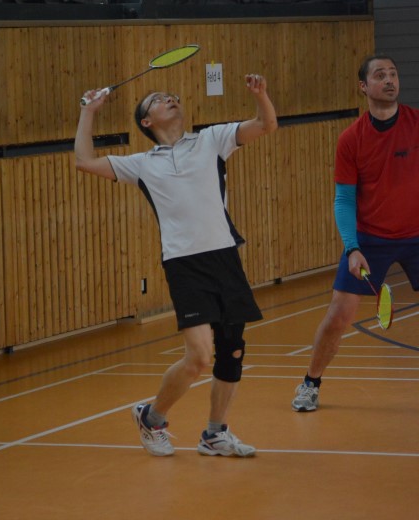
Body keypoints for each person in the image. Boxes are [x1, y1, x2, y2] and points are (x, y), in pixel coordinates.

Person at [75, 74, 278, 456]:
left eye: (171, 95)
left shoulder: (211, 140)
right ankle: (151, 417)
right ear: (146, 121)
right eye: (158, 99)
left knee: (232, 352)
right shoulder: (141, 164)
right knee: (200, 356)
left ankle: (215, 434)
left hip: (225, 257)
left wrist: (261, 95)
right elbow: (84, 162)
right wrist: (89, 112)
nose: (169, 98)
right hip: (184, 264)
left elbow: (266, 125)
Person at [292, 54, 419, 412]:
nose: (389, 80)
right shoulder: (352, 139)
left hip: (417, 234)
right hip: (371, 239)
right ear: (364, 86)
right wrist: (352, 248)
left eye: (393, 74)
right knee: (339, 315)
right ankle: (310, 383)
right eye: (380, 75)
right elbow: (344, 199)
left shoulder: (416, 123)